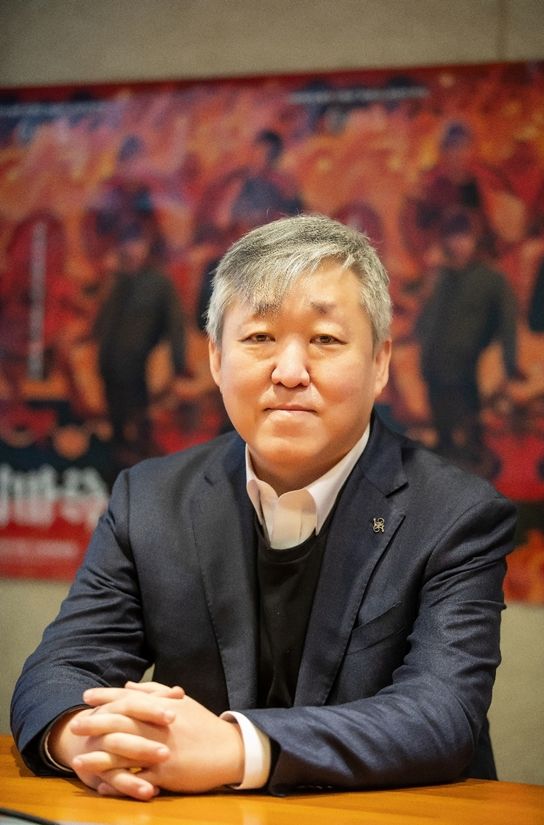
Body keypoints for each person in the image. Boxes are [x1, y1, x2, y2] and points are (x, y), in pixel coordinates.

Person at [11, 214, 516, 800]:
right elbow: (59, 673)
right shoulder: (148, 499)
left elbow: (441, 715)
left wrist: (237, 749)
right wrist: (89, 740)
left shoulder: (456, 515)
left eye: (325, 340)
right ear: (215, 359)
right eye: (258, 338)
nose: (290, 373)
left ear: (380, 363)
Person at [416, 210, 520, 475]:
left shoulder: (491, 280)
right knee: (443, 438)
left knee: (470, 438)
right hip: (435, 367)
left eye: (464, 236)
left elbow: (507, 325)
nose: (458, 243)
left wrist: (509, 365)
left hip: (469, 372)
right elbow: (427, 321)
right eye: (452, 237)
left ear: (475, 239)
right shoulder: (442, 278)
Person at [94, 223, 186, 468]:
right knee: (116, 426)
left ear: (147, 246)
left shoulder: (159, 283)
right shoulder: (119, 281)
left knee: (140, 423)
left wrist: (178, 364)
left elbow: (175, 325)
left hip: (141, 368)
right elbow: (102, 323)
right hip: (110, 364)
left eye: (136, 243)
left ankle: (141, 463)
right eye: (127, 243)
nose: (131, 249)